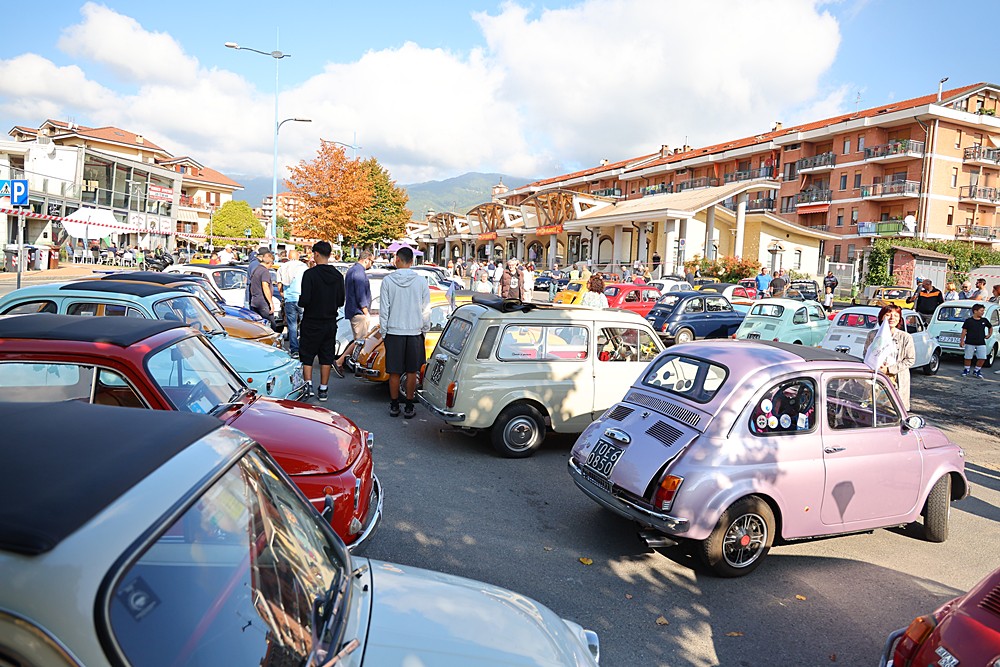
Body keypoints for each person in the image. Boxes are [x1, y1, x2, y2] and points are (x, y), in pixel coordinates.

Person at [380, 246, 430, 418]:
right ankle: (409, 405)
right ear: (411, 261)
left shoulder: (387, 281)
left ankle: (394, 405)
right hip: (415, 331)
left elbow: (384, 309)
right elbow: (426, 309)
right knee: (411, 371)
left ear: (398, 260)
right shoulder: (421, 281)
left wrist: (384, 330)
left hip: (394, 331)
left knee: (394, 371)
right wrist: (425, 329)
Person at [298, 241, 345, 401]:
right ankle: (323, 389)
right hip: (330, 321)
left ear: (316, 254)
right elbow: (341, 300)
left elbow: (304, 300)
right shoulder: (338, 276)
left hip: (311, 320)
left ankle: (308, 385)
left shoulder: (309, 275)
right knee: (326, 355)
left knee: (307, 354)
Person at [863, 304, 915, 410]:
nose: (892, 318)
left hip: (896, 380)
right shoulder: (873, 335)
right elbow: (866, 354)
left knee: (893, 411)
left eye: (896, 315)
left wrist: (889, 369)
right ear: (882, 317)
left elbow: (910, 360)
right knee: (872, 409)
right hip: (876, 377)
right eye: (888, 315)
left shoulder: (905, 337)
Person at [334, 250, 375, 376]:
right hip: (359, 312)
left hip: (354, 310)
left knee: (359, 341)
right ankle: (340, 361)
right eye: (372, 261)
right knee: (360, 341)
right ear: (366, 259)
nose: (372, 264)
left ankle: (343, 361)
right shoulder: (359, 273)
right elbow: (361, 294)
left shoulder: (353, 270)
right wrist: (366, 312)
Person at [276, 248, 309, 358]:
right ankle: (305, 348)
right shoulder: (303, 267)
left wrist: (283, 294)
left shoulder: (282, 267)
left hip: (289, 299)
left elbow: (279, 285)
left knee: (292, 325)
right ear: (298, 257)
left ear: (289, 257)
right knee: (305, 325)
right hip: (302, 299)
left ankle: (294, 350)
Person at [960, 303, 993, 379]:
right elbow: (964, 331)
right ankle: (966, 369)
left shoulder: (984, 320)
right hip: (970, 342)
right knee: (968, 357)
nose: (983, 312)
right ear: (975, 311)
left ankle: (977, 370)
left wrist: (989, 334)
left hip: (981, 342)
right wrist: (962, 340)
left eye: (983, 311)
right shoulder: (969, 321)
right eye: (981, 311)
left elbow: (990, 327)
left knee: (982, 358)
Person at [248, 251, 276, 326]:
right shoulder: (264, 271)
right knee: (271, 325)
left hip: (255, 301)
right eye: (272, 264)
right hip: (263, 302)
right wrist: (270, 303)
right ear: (270, 263)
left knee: (258, 325)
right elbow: (265, 286)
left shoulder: (256, 270)